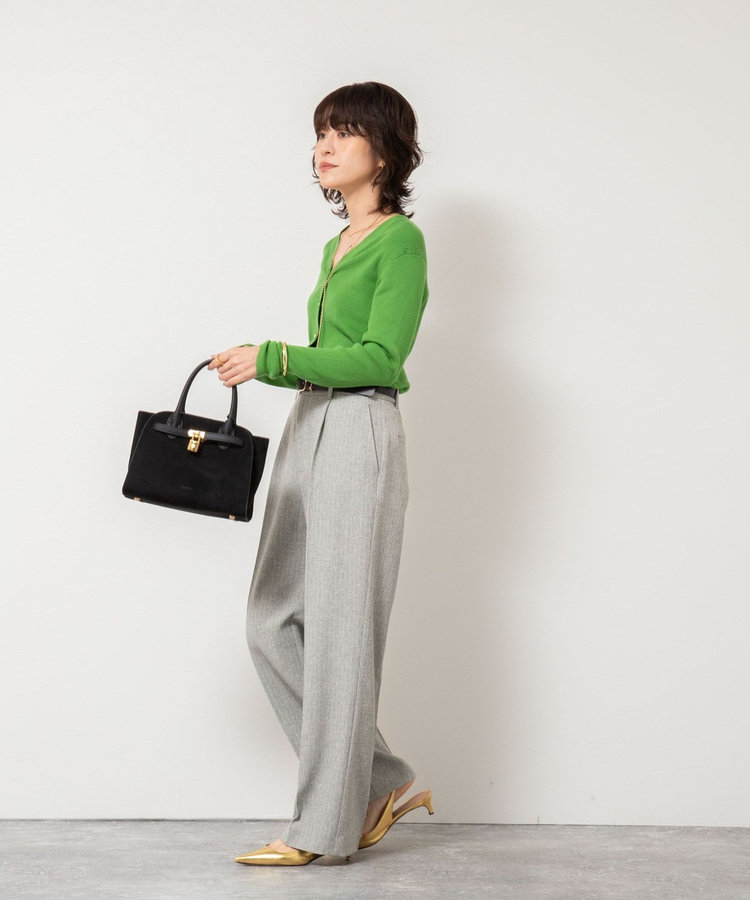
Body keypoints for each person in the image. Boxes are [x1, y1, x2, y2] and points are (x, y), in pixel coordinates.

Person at [208, 81, 433, 866]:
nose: (324, 147)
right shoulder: (336, 245)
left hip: (360, 424)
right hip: (310, 422)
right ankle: (379, 781)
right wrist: (282, 366)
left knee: (340, 633)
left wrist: (272, 356)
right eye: (320, 134)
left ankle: (325, 829)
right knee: (270, 620)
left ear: (385, 150)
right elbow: (330, 353)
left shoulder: (400, 242)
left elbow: (380, 357)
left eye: (343, 132)